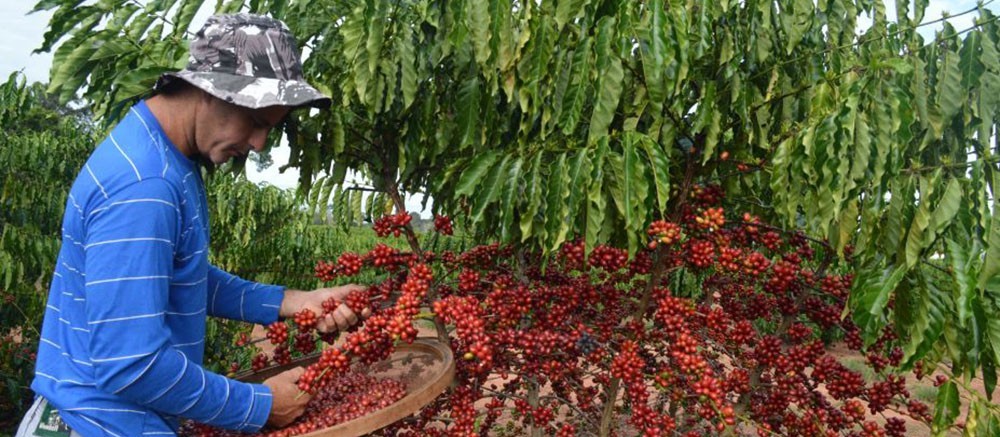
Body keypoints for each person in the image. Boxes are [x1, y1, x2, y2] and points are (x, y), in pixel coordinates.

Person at [16, 13, 366, 437]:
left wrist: (294, 301)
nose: (259, 144)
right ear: (210, 90)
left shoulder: (164, 156)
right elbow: (131, 366)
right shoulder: (145, 186)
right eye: (256, 122)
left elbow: (176, 273)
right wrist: (258, 405)